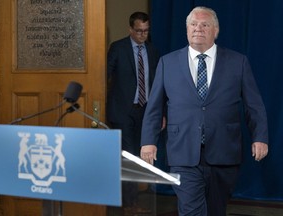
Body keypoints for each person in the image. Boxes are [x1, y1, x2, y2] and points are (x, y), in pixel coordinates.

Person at [140, 6, 268, 216]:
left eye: (204, 24)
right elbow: (154, 107)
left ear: (215, 31)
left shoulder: (238, 62)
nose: (198, 28)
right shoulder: (167, 63)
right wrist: (148, 141)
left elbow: (254, 105)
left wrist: (260, 137)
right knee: (192, 211)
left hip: (224, 152)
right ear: (187, 29)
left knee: (216, 210)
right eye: (193, 24)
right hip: (182, 153)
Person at [106, 11, 159, 214]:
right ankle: (129, 203)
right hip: (122, 111)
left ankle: (129, 200)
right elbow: (105, 76)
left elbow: (157, 84)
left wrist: (160, 113)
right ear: (130, 29)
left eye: (146, 31)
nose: (142, 35)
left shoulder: (153, 51)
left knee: (139, 155)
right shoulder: (118, 48)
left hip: (144, 112)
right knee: (129, 156)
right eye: (138, 31)